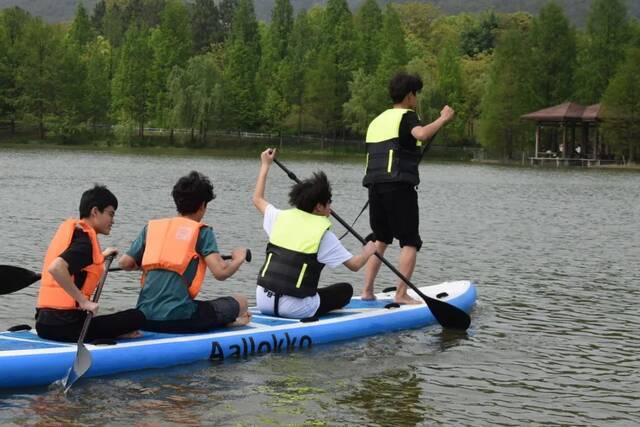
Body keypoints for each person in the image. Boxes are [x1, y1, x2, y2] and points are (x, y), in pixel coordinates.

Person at [361, 72, 454, 304]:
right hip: (398, 186)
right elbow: (420, 134)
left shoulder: (377, 120)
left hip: (374, 186)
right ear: (410, 95)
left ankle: (367, 291)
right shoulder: (407, 116)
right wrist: (442, 119)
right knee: (410, 240)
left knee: (380, 238)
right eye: (416, 94)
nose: (417, 99)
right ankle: (401, 294)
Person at [118, 171, 251, 333]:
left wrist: (145, 266)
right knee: (242, 301)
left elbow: (124, 263)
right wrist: (238, 259)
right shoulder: (202, 232)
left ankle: (225, 321)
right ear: (202, 205)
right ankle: (229, 322)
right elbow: (220, 272)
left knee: (198, 305)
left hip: (144, 318)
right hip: (180, 320)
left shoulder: (152, 228)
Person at [252, 148, 377, 319]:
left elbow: (257, 199)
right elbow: (355, 265)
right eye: (329, 202)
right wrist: (368, 252)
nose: (330, 207)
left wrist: (265, 164)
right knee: (345, 290)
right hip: (294, 309)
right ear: (318, 206)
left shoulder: (279, 217)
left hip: (263, 301)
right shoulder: (323, 236)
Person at [35, 185, 145, 342]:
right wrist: (83, 301)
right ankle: (115, 334)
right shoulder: (85, 244)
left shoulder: (76, 234)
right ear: (95, 212)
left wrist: (102, 256)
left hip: (43, 325)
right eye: (110, 214)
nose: (112, 221)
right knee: (137, 317)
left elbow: (78, 265)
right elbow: (56, 268)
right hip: (68, 327)